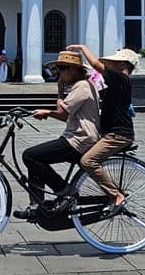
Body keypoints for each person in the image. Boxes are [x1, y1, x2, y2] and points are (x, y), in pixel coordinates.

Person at [14, 50, 100, 221]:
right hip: (77, 137)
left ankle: (64, 189)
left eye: (62, 68)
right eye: (58, 69)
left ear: (74, 70)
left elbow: (61, 111)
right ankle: (36, 206)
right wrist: (59, 93)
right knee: (36, 159)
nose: (59, 73)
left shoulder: (82, 86)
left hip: (79, 140)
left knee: (30, 156)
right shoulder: (82, 85)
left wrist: (51, 106)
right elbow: (65, 115)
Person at [69, 44, 136, 215]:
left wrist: (82, 48)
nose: (110, 67)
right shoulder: (117, 84)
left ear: (123, 65)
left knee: (88, 161)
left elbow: (96, 64)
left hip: (118, 134)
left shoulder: (121, 78)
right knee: (81, 155)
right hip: (111, 132)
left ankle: (116, 194)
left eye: (114, 63)